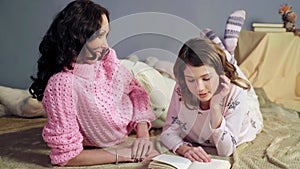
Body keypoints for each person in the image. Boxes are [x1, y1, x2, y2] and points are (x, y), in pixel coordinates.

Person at [29, 0, 157, 166]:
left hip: (142, 93)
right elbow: (66, 156)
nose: (105, 45)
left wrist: (143, 136)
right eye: (99, 36)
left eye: (106, 35)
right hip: (114, 106)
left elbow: (137, 93)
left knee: (167, 93)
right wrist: (125, 154)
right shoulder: (61, 84)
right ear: (79, 36)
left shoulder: (107, 57)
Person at [160, 37, 263, 163]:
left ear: (220, 75)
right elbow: (167, 132)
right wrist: (184, 149)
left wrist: (215, 107)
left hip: (250, 119)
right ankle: (223, 48)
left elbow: (226, 151)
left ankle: (228, 51)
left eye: (206, 78)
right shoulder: (181, 88)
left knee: (248, 90)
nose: (200, 88)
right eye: (191, 80)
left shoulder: (236, 92)